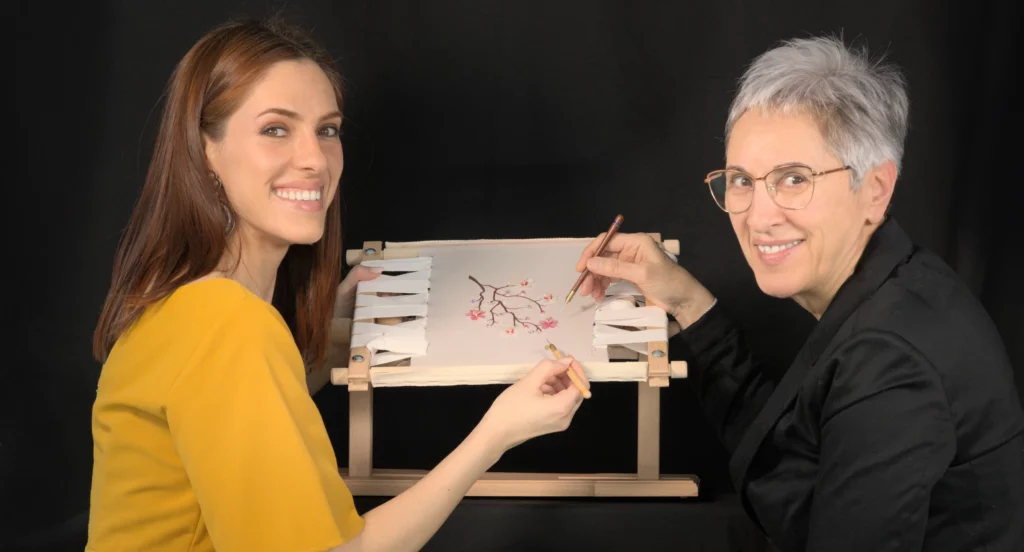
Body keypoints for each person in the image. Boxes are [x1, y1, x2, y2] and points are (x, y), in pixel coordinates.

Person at [86, 18, 589, 552]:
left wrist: (324, 348)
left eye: (327, 129)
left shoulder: (189, 307)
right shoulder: (228, 323)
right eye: (275, 129)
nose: (315, 159)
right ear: (205, 153)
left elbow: (219, 438)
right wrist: (497, 433)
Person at [576, 36, 1024, 551]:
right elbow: (786, 466)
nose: (758, 217)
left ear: (875, 189)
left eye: (793, 179)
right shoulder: (898, 281)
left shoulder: (890, 362)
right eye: (742, 179)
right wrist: (685, 302)